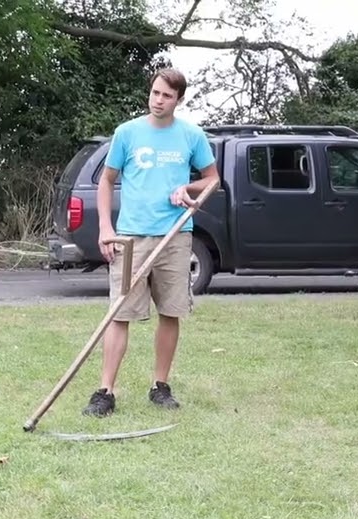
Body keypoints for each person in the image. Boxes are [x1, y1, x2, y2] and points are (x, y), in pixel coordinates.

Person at [83, 67, 219, 418]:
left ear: (179, 100)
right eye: (155, 93)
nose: (159, 100)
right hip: (130, 237)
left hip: (174, 237)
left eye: (167, 96)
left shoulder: (191, 136)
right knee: (119, 313)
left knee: (170, 312)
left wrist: (188, 191)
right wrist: (105, 229)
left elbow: (212, 180)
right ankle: (105, 391)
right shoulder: (127, 133)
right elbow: (106, 181)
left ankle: (160, 386)